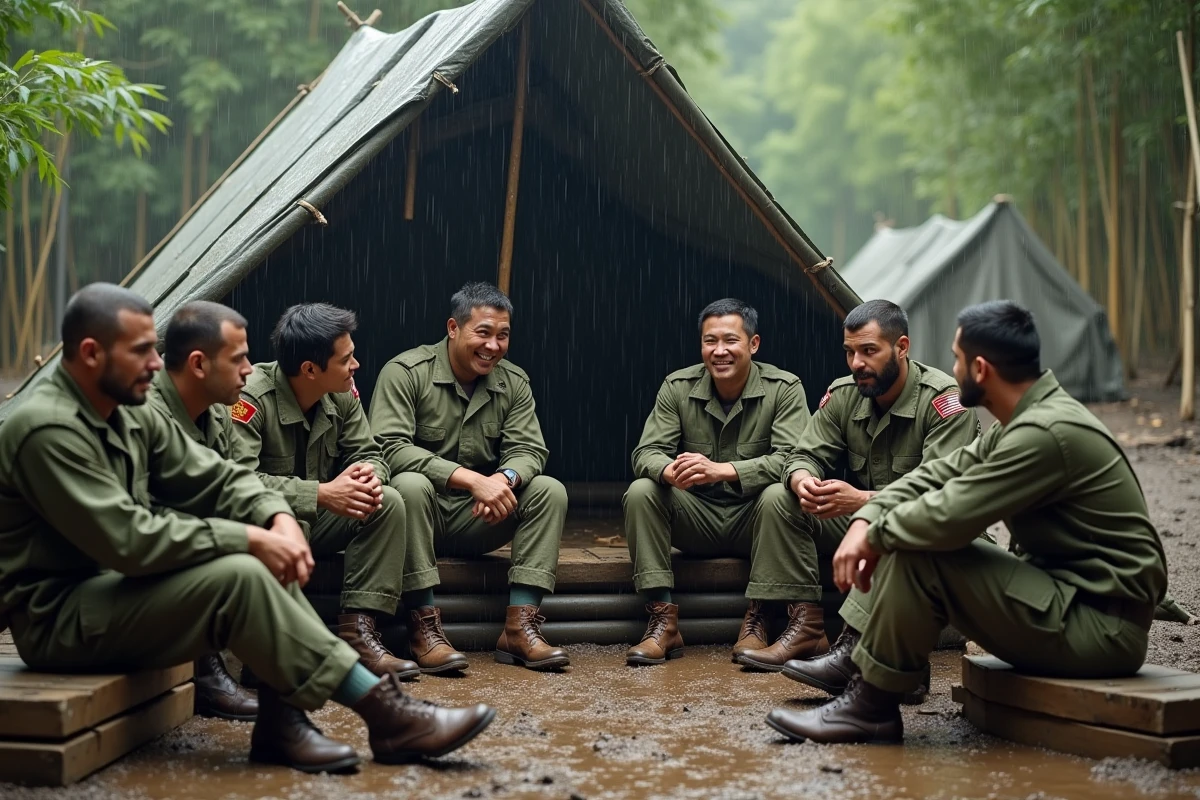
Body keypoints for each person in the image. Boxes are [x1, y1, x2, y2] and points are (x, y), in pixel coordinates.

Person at [0, 284, 496, 773]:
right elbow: (130, 540)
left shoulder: (121, 410)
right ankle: (388, 714)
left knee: (262, 550)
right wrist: (252, 536)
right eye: (141, 352)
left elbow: (215, 475)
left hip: (119, 592)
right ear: (90, 354)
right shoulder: (49, 428)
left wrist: (277, 517)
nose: (156, 364)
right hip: (62, 617)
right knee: (242, 567)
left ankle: (286, 726)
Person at [766, 300, 1167, 744]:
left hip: (1101, 629)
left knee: (921, 548)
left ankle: (868, 706)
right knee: (908, 533)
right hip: (1066, 599)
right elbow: (937, 474)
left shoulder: (1043, 434)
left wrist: (872, 532)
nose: (952, 372)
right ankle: (871, 690)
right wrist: (870, 516)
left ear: (980, 369)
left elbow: (948, 515)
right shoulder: (1020, 422)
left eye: (957, 361)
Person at [750, 300, 979, 696]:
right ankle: (806, 628)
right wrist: (803, 479)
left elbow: (942, 494)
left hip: (942, 532)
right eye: (850, 352)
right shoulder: (844, 395)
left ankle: (864, 655)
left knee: (895, 524)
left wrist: (861, 501)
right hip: (867, 520)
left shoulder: (943, 402)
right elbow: (802, 454)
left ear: (902, 347)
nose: (856, 363)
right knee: (778, 497)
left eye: (869, 351)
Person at [232, 303, 465, 678]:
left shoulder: (341, 392)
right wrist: (322, 494)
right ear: (310, 369)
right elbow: (238, 484)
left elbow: (370, 451)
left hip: (317, 524)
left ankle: (359, 633)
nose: (355, 365)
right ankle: (268, 651)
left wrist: (368, 476)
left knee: (387, 501)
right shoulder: (251, 400)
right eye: (346, 359)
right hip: (268, 528)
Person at [370, 282, 570, 671]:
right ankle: (422, 627)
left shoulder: (513, 383)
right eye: (483, 333)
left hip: (478, 517)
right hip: (414, 521)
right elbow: (388, 447)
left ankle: (520, 628)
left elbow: (530, 451)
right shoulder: (405, 372)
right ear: (453, 328)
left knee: (549, 490)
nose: (493, 346)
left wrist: (504, 480)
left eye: (503, 335)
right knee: (408, 484)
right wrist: (470, 479)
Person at [622, 299, 811, 667]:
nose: (719, 351)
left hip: (756, 523)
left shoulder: (784, 388)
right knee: (643, 491)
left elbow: (794, 459)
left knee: (779, 495)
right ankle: (663, 620)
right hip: (698, 517)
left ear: (753, 344)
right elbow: (646, 452)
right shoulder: (677, 387)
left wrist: (724, 470)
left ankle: (759, 618)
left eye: (730, 341)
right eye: (710, 341)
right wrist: (669, 472)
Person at [147, 300, 258, 720]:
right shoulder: (145, 413)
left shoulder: (217, 412)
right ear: (197, 364)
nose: (250, 368)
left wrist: (274, 518)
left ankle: (274, 675)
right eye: (239, 358)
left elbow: (231, 482)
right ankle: (207, 671)